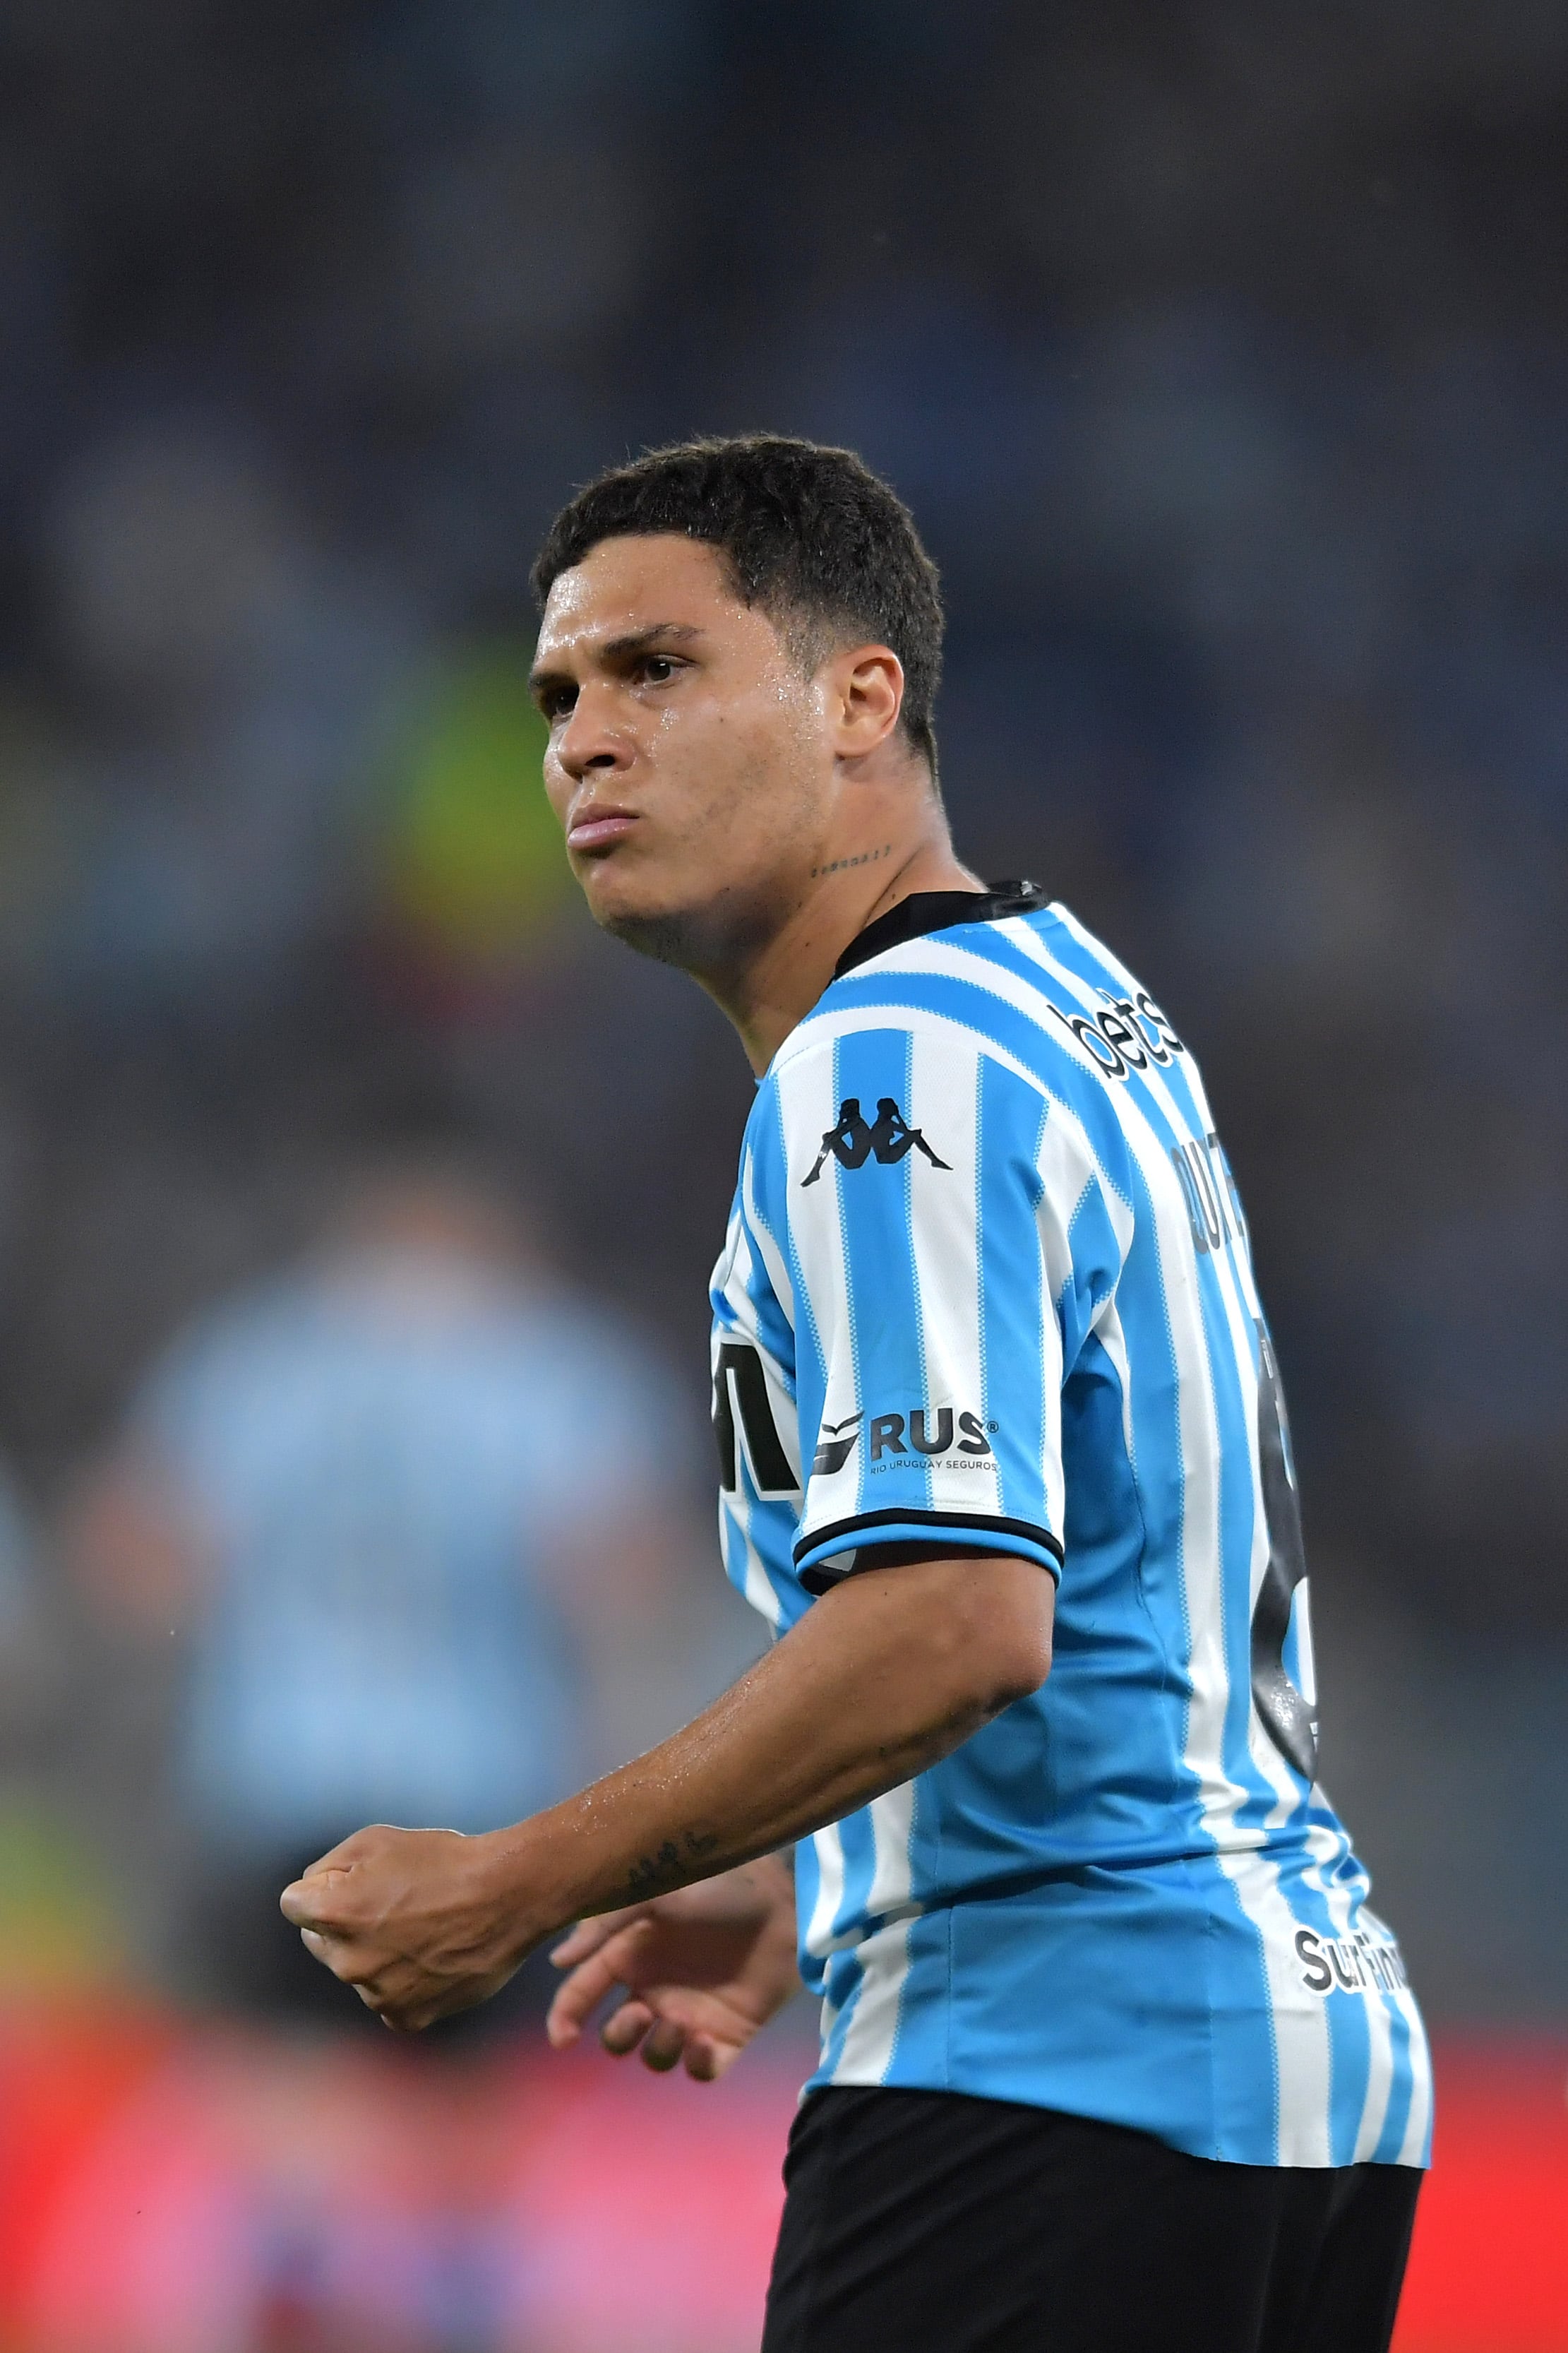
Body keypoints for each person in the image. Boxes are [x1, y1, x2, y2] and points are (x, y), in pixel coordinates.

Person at [282, 438, 1430, 2347]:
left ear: (857, 697)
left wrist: (518, 1875)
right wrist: (789, 1861)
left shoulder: (881, 1070)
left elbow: (958, 1617)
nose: (581, 740)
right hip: (1289, 2070)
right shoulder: (1064, 993)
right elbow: (1099, 1588)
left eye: (657, 669)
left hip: (1049, 2085)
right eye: (558, 695)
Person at [73, 1143, 693, 2030]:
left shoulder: (258, 1351)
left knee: (291, 2085)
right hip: (487, 1796)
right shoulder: (560, 1363)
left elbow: (133, 1560)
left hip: (274, 1777)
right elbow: (626, 1580)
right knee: (466, 2104)